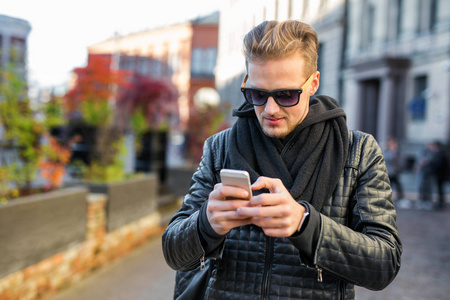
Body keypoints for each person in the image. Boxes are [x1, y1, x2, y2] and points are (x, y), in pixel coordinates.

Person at [162, 20, 401, 300]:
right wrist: (205, 224)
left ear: (313, 83)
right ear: (245, 83)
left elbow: (385, 264)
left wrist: (305, 224)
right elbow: (173, 253)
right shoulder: (220, 147)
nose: (270, 109)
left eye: (286, 94)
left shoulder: (358, 152)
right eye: (258, 94)